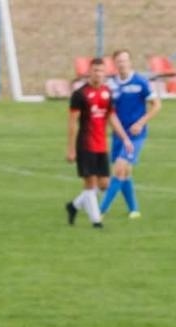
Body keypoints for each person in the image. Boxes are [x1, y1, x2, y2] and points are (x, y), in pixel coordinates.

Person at [66, 58, 129, 229]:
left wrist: (125, 138)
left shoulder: (107, 93)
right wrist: (71, 149)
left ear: (105, 73)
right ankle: (96, 221)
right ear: (89, 72)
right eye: (95, 70)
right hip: (85, 145)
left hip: (101, 145)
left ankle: (73, 206)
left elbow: (111, 116)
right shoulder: (80, 95)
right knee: (90, 183)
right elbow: (72, 123)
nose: (98, 74)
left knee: (104, 185)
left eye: (101, 71)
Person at [99, 48, 161, 219]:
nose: (122, 64)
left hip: (135, 135)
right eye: (119, 61)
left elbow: (156, 105)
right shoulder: (111, 84)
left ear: (130, 62)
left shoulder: (141, 82)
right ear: (115, 64)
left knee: (119, 168)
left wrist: (141, 123)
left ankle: (100, 210)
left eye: (125, 60)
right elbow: (108, 109)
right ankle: (134, 209)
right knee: (125, 172)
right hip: (118, 134)